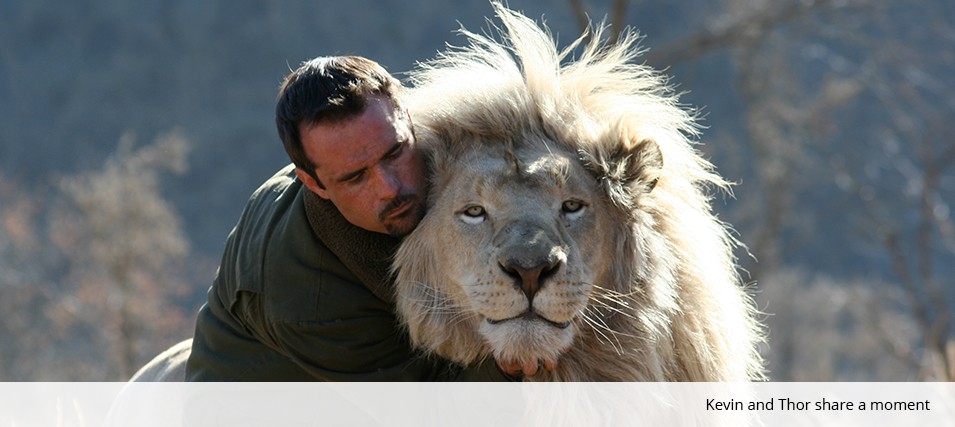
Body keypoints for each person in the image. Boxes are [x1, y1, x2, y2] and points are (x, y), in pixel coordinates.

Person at [184, 56, 512, 381]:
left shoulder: (375, 156)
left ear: (409, 121)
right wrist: (507, 367)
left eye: (394, 153)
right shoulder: (311, 304)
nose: (390, 187)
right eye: (356, 178)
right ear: (314, 184)